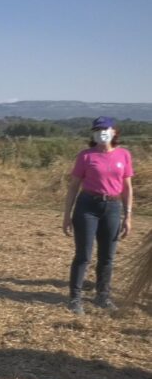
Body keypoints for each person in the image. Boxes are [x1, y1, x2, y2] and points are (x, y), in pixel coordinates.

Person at [62, 116, 134, 315]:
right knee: (83, 255)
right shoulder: (86, 156)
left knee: (107, 257)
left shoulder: (124, 155)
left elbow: (127, 188)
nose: (102, 132)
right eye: (98, 129)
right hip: (87, 206)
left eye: (106, 129)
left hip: (112, 207)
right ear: (93, 133)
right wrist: (67, 215)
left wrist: (128, 215)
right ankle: (75, 298)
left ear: (114, 132)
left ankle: (102, 295)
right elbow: (73, 187)